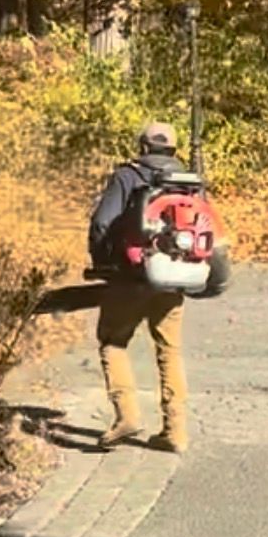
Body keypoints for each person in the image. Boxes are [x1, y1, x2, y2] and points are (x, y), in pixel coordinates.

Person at [88, 121, 190, 454]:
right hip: (173, 277)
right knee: (168, 351)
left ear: (143, 148)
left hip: (129, 278)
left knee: (113, 342)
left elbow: (103, 222)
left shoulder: (127, 176)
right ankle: (175, 431)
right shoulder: (189, 182)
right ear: (173, 151)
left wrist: (103, 261)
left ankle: (126, 416)